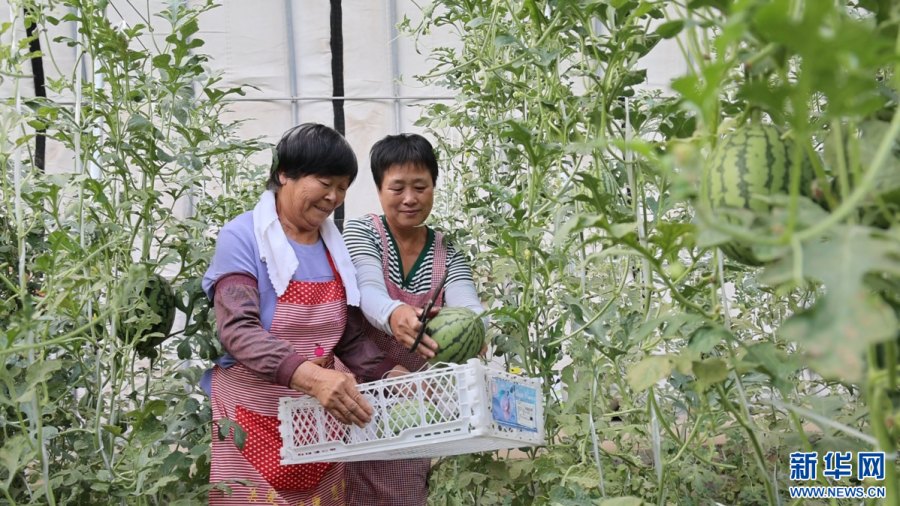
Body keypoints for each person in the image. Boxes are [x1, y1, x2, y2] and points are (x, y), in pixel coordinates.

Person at [202, 123, 395, 505]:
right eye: (325, 182)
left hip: (319, 419)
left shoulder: (332, 245)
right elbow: (238, 331)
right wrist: (313, 379)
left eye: (342, 187)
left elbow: (347, 335)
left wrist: (388, 374)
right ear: (283, 174)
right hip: (251, 414)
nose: (334, 197)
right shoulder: (243, 237)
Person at [343, 133, 486, 505]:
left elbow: (467, 305)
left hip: (415, 395)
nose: (410, 198)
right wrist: (394, 313)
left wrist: (478, 328)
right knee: (350, 485)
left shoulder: (446, 249)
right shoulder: (363, 232)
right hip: (361, 387)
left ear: (434, 187)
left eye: (420, 187)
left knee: (405, 485)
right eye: (398, 187)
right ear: (378, 189)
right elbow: (368, 288)